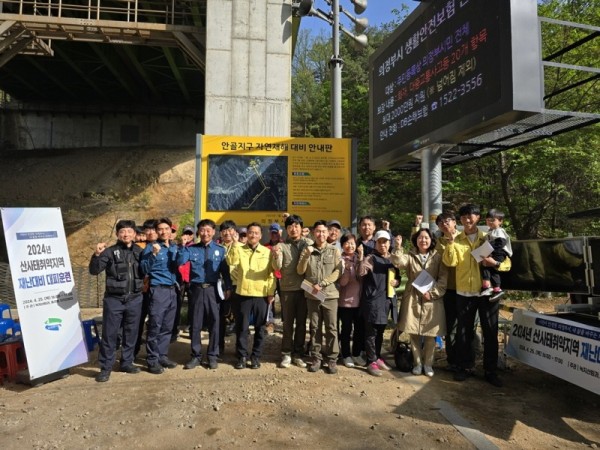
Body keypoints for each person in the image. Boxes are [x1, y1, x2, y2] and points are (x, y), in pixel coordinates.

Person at [443, 204, 503, 387]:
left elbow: (506, 261)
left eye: (471, 216)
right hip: (464, 293)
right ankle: (465, 367)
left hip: (487, 293)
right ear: (459, 220)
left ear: (478, 218)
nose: (468, 220)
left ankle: (490, 370)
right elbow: (450, 262)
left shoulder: (489, 236)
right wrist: (451, 241)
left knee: (490, 332)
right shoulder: (456, 239)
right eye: (464, 217)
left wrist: (496, 264)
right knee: (463, 332)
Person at [89, 220, 145, 382]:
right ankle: (105, 367)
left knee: (131, 332)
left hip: (135, 298)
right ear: (117, 234)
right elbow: (94, 270)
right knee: (109, 334)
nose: (126, 234)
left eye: (129, 231)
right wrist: (97, 254)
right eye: (122, 231)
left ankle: (127, 362)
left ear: (135, 234)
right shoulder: (110, 252)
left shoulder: (140, 252)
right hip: (114, 300)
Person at [391, 229, 447, 377]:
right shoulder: (410, 256)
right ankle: (417, 364)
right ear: (416, 240)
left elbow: (443, 279)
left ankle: (428, 364)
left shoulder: (438, 257)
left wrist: (433, 293)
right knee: (414, 333)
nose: (423, 240)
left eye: (426, 238)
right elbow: (398, 262)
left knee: (431, 334)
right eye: (420, 238)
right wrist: (397, 247)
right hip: (413, 298)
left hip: (431, 299)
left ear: (431, 240)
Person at [178, 219, 232, 370]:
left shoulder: (220, 250)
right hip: (196, 289)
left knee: (215, 323)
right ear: (198, 232)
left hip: (213, 290)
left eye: (208, 230)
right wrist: (183, 246)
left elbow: (225, 272)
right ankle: (195, 356)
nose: (205, 233)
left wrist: (228, 288)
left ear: (213, 232)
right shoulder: (191, 249)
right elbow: (180, 261)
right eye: (202, 230)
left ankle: (212, 355)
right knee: (195, 323)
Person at [227, 222, 276, 369]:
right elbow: (231, 262)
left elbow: (271, 274)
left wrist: (270, 292)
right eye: (250, 232)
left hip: (261, 294)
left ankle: (255, 356)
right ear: (247, 234)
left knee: (260, 327)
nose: (253, 235)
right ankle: (241, 356)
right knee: (242, 327)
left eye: (256, 233)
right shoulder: (239, 249)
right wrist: (234, 244)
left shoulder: (267, 252)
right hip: (243, 293)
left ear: (261, 235)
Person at [297, 220, 343, 374]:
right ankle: (316, 357)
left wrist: (323, 283)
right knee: (315, 327)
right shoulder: (308, 250)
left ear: (328, 233)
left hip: (330, 295)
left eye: (323, 231)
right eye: (318, 231)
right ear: (313, 233)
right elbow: (300, 271)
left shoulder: (334, 250)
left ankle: (332, 359)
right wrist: (305, 256)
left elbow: (338, 271)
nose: (321, 234)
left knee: (331, 327)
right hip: (312, 295)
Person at [272, 214, 313, 369]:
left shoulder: (308, 243)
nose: (293, 229)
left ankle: (298, 353)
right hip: (288, 290)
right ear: (286, 230)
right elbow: (277, 267)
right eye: (290, 227)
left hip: (305, 289)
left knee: (302, 323)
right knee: (288, 323)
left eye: (296, 226)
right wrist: (276, 256)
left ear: (301, 228)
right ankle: (286, 353)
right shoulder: (282, 246)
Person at [140, 217, 179, 374]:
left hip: (172, 290)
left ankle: (162, 356)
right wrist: (153, 255)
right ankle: (152, 360)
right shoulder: (151, 248)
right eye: (160, 229)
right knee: (155, 326)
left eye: (166, 229)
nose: (164, 232)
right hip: (158, 290)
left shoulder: (174, 248)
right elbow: (143, 269)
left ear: (171, 231)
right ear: (156, 232)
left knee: (167, 327)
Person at [358, 230, 399, 377]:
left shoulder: (393, 259)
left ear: (389, 243)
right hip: (372, 300)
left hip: (387, 300)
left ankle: (377, 357)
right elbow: (361, 273)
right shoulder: (371, 258)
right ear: (375, 243)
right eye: (380, 241)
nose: (383, 244)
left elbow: (398, 277)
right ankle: (370, 361)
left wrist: (397, 282)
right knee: (371, 332)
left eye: (385, 241)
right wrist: (362, 258)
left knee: (381, 330)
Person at [434, 211, 464, 371]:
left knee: (465, 326)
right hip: (449, 290)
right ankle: (453, 361)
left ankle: (466, 360)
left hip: (467, 288)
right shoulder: (439, 242)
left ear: (454, 222)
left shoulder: (464, 237)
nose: (444, 224)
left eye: (447, 221)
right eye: (441, 223)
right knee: (451, 326)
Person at [337, 232, 365, 368]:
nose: (350, 246)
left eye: (352, 243)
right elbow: (342, 283)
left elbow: (363, 277)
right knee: (346, 330)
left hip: (360, 301)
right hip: (345, 302)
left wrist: (360, 259)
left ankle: (356, 354)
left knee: (359, 329)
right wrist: (347, 270)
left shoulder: (359, 258)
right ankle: (346, 355)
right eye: (347, 243)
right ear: (342, 245)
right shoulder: (340, 260)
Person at [134, 219, 159, 358]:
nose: (150, 233)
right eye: (147, 230)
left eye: (153, 230)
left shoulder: (164, 246)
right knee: (137, 321)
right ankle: (134, 351)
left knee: (156, 322)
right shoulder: (138, 248)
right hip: (142, 290)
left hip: (159, 289)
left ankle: (155, 354)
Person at [218, 220, 242, 354]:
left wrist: (235, 244)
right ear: (220, 233)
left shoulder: (242, 247)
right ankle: (219, 347)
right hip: (220, 287)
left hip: (236, 286)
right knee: (220, 318)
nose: (227, 233)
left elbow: (234, 262)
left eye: (230, 230)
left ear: (235, 232)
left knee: (239, 319)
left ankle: (239, 350)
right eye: (224, 230)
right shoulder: (217, 248)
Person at [481, 209, 513, 302]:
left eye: (492, 220)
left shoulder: (499, 231)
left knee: (490, 266)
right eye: (488, 220)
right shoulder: (490, 231)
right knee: (489, 268)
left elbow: (500, 243)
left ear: (500, 221)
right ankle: (494, 288)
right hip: (494, 252)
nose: (490, 222)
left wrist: (490, 251)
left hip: (500, 252)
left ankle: (489, 286)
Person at [172, 225, 195, 342]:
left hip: (191, 280)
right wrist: (183, 245)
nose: (188, 236)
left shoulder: (196, 247)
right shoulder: (177, 247)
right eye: (186, 233)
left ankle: (192, 330)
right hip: (179, 280)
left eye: (190, 233)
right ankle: (174, 330)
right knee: (176, 306)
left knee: (193, 306)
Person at [264, 223, 283, 334]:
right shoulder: (265, 247)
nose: (274, 235)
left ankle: (286, 323)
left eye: (276, 233)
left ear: (280, 233)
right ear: (269, 233)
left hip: (282, 277)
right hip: (270, 277)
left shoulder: (284, 245)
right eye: (272, 233)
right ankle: (270, 323)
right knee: (269, 301)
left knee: (284, 302)